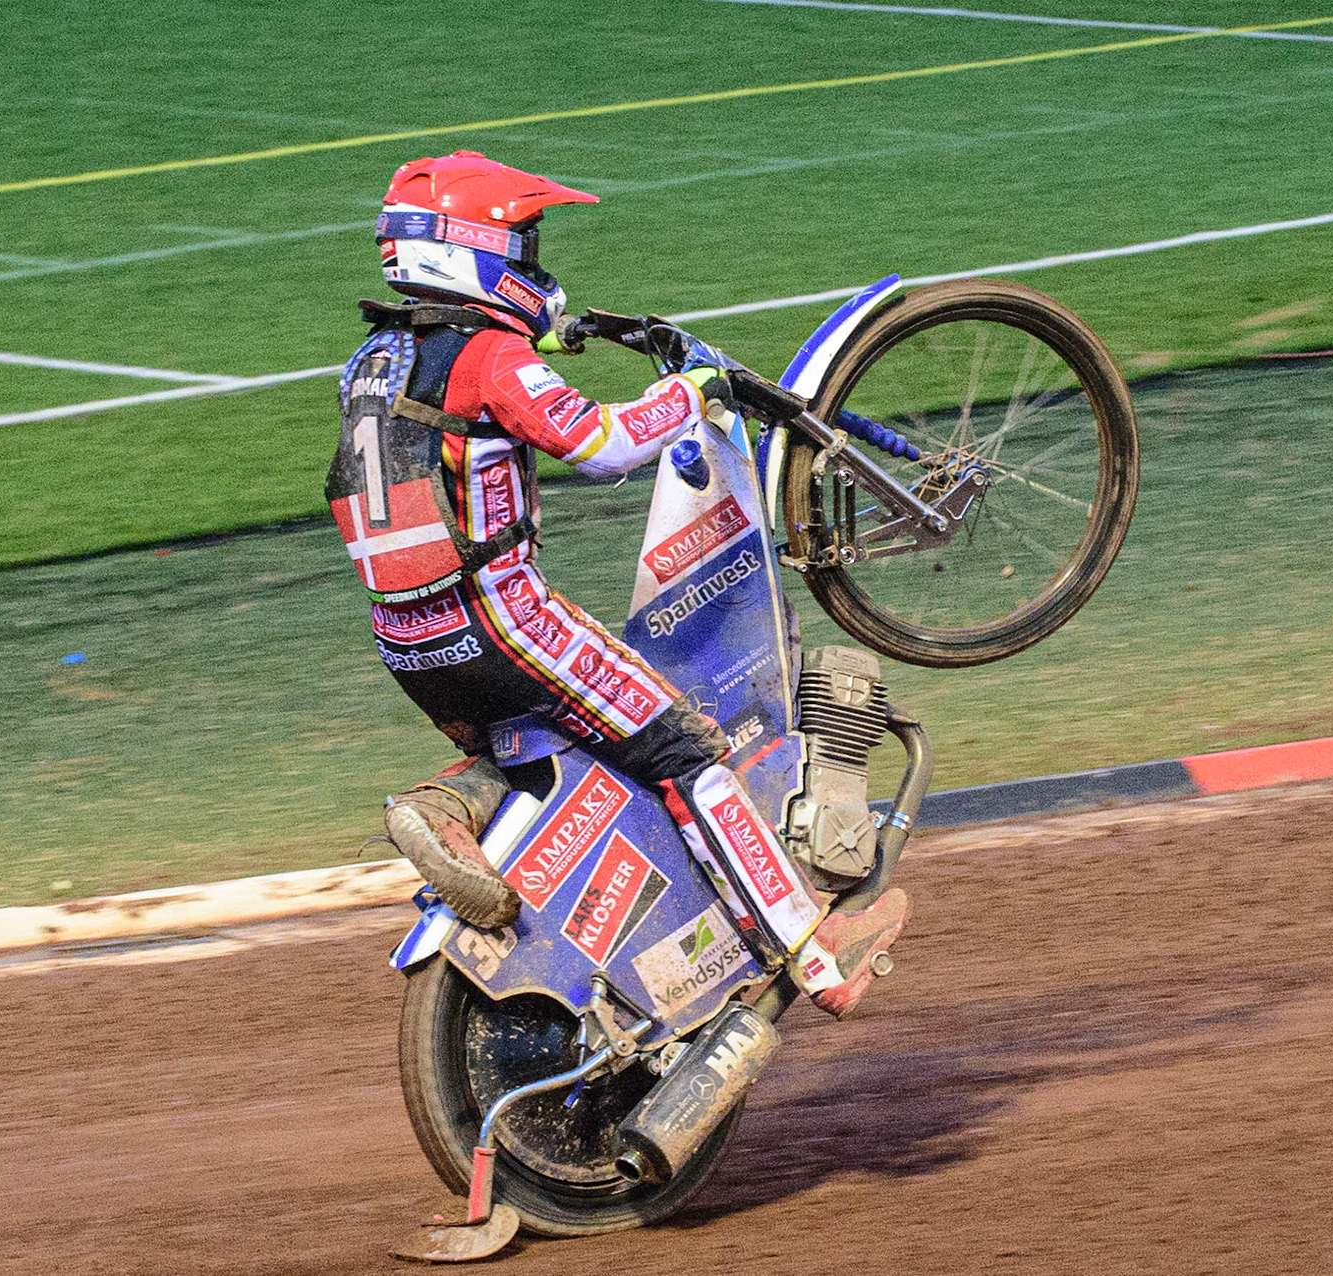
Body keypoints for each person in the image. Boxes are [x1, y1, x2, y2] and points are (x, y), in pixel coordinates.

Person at [327, 150, 906, 1017]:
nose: (532, 260)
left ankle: (445, 807)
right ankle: (813, 948)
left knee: (539, 742)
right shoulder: (489, 356)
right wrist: (690, 395)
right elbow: (601, 447)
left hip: (408, 639)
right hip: (503, 620)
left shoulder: (373, 357)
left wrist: (545, 340)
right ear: (467, 251)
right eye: (520, 241)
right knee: (681, 746)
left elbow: (457, 397)